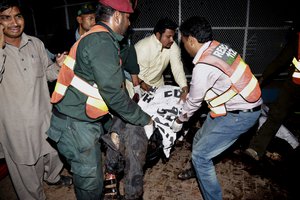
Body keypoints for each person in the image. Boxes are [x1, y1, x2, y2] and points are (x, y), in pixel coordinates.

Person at [46, 0, 154, 199]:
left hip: (80, 118)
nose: (129, 23)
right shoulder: (101, 42)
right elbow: (113, 93)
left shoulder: (97, 37)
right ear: (117, 16)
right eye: (128, 18)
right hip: (75, 126)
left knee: (120, 140)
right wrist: (145, 119)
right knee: (91, 186)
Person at [171, 16, 262, 200]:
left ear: (192, 40)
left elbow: (194, 101)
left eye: (183, 42)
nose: (183, 48)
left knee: (201, 156)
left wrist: (179, 120)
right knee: (198, 137)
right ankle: (198, 171)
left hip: (241, 114)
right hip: (235, 106)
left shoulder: (203, 66)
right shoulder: (218, 47)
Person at [0, 1, 72, 200]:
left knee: (53, 153)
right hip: (16, 125)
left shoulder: (35, 43)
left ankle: (53, 178)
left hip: (43, 115)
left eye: (18, 16)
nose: (14, 22)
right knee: (25, 167)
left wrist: (58, 66)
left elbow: (48, 72)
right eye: (6, 17)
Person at [245, 21, 300, 161]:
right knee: (275, 115)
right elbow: (280, 61)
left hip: (292, 84)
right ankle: (256, 149)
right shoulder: (297, 39)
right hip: (293, 85)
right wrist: (264, 77)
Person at [134, 17, 189, 101]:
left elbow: (177, 68)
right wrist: (152, 92)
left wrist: (184, 88)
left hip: (157, 85)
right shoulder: (143, 48)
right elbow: (137, 77)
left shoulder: (173, 46)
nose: (172, 40)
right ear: (158, 34)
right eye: (168, 36)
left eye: (173, 37)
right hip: (138, 85)